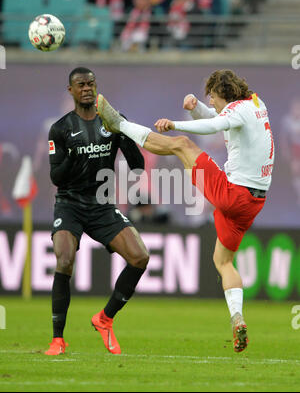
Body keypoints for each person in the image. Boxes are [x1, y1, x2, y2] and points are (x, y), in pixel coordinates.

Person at [95, 69, 274, 353]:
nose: (211, 103)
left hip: (233, 194)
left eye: (211, 98)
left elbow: (214, 126)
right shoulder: (255, 103)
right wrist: (197, 109)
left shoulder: (236, 112)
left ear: (220, 93)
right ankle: (237, 317)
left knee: (181, 144)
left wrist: (175, 123)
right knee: (223, 261)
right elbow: (219, 119)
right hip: (253, 203)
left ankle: (120, 125)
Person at [45, 67, 149, 356]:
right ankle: (57, 340)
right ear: (71, 91)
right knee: (64, 260)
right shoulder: (61, 129)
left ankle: (105, 319)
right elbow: (56, 177)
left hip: (102, 204)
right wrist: (75, 153)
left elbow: (138, 165)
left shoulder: (112, 120)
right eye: (81, 85)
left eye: (91, 83)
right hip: (70, 204)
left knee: (140, 257)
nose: (87, 88)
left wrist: (123, 133)